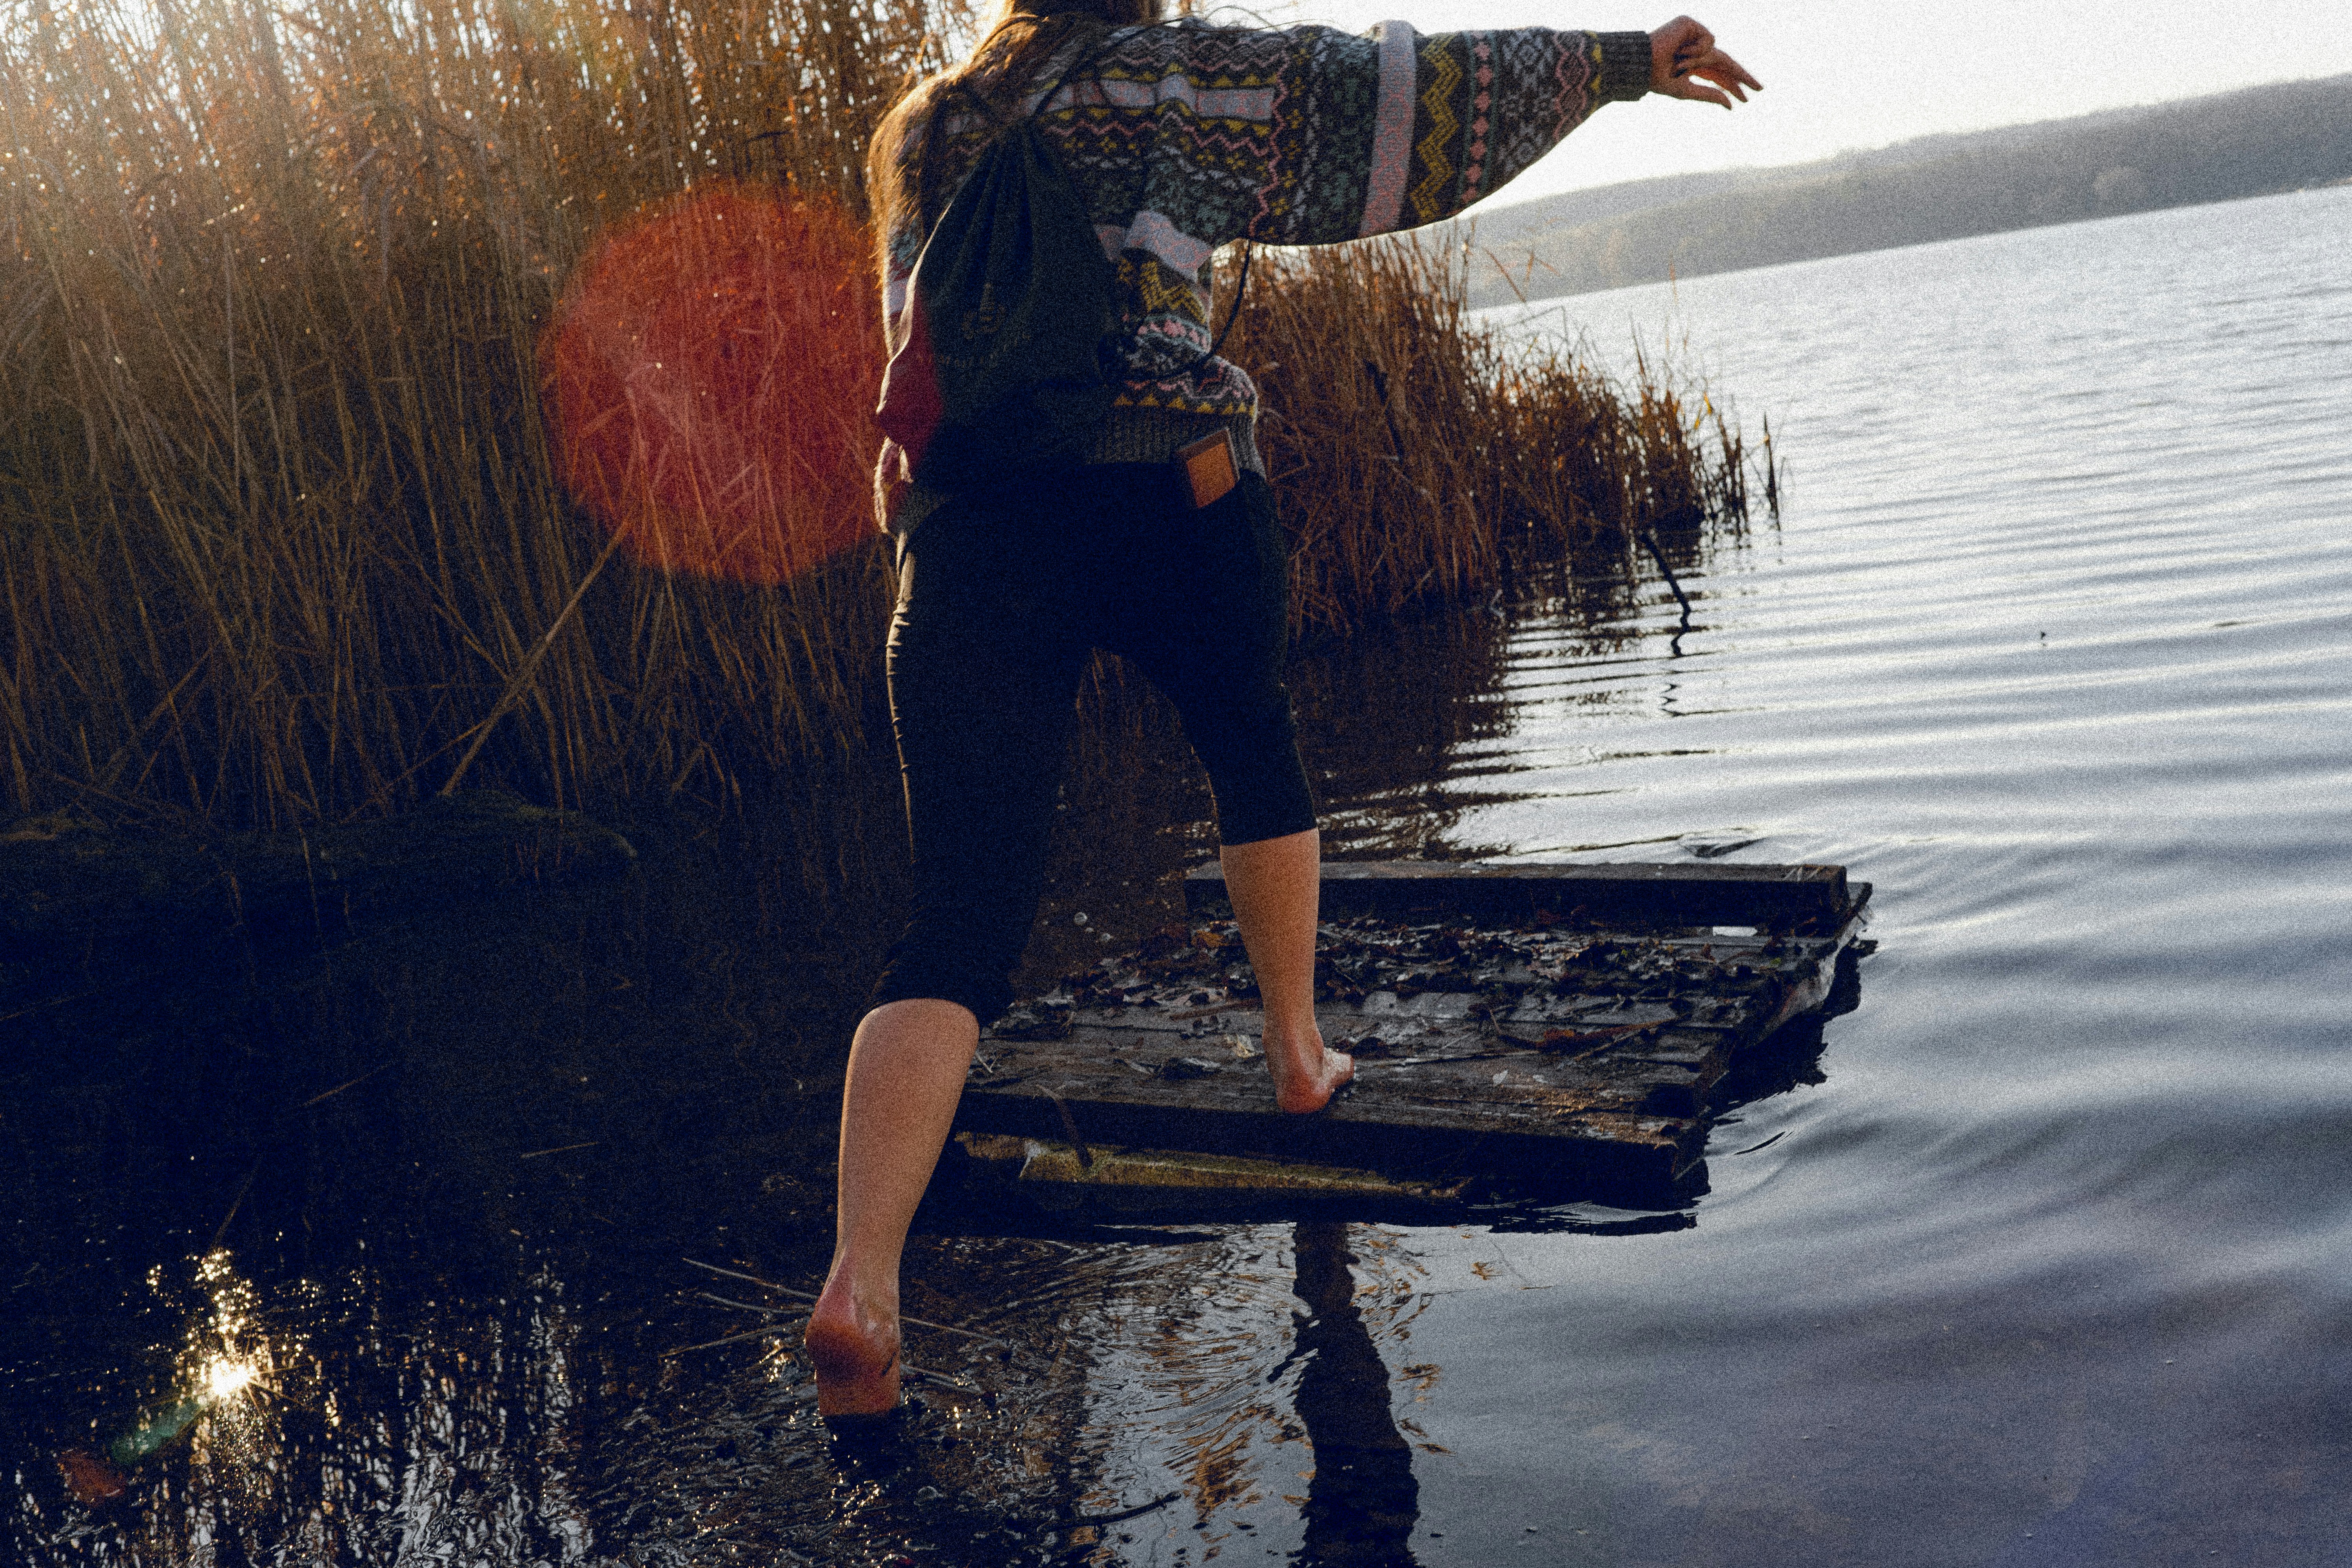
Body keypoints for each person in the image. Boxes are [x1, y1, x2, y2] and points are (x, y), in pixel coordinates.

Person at [806, 3, 1760, 1418]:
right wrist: (1624, 62)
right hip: (1172, 489)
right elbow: (1414, 105)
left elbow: (929, 339)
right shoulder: (1188, 72)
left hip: (971, 536)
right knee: (1250, 748)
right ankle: (1299, 1056)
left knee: (955, 920)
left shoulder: (922, 128)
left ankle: (862, 1283)